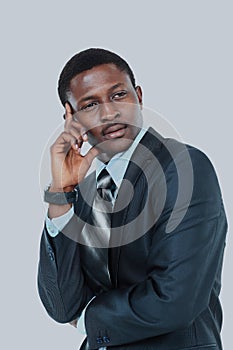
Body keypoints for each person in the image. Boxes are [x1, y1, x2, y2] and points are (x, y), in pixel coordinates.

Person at [37, 48, 228, 350]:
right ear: (70, 117)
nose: (109, 112)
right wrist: (60, 195)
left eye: (118, 96)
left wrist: (89, 319)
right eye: (90, 104)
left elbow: (176, 299)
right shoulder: (85, 192)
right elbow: (62, 305)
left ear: (138, 96)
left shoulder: (183, 168)